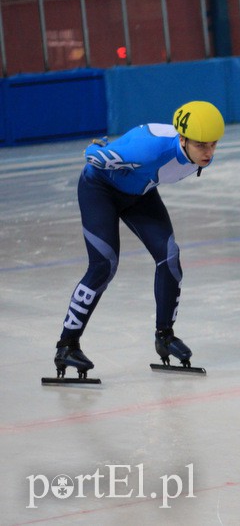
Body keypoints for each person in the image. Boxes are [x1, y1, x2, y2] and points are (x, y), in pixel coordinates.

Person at [53, 101, 225, 378]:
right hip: (101, 190)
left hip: (140, 194)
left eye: (213, 145)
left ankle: (165, 337)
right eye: (201, 145)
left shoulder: (199, 153)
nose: (208, 152)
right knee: (103, 266)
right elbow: (94, 155)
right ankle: (66, 345)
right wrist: (101, 150)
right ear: (182, 139)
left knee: (170, 258)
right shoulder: (148, 147)